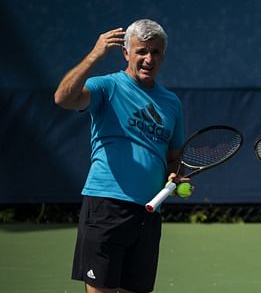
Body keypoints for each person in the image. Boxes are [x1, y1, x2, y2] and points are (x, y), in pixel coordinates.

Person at [54, 19, 187, 293]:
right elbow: (63, 99)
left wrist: (174, 172)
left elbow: (174, 156)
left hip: (148, 213)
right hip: (106, 206)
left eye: (156, 52)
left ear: (163, 55)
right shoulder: (106, 87)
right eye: (141, 51)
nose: (149, 59)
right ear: (126, 53)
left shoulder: (172, 103)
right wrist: (94, 55)